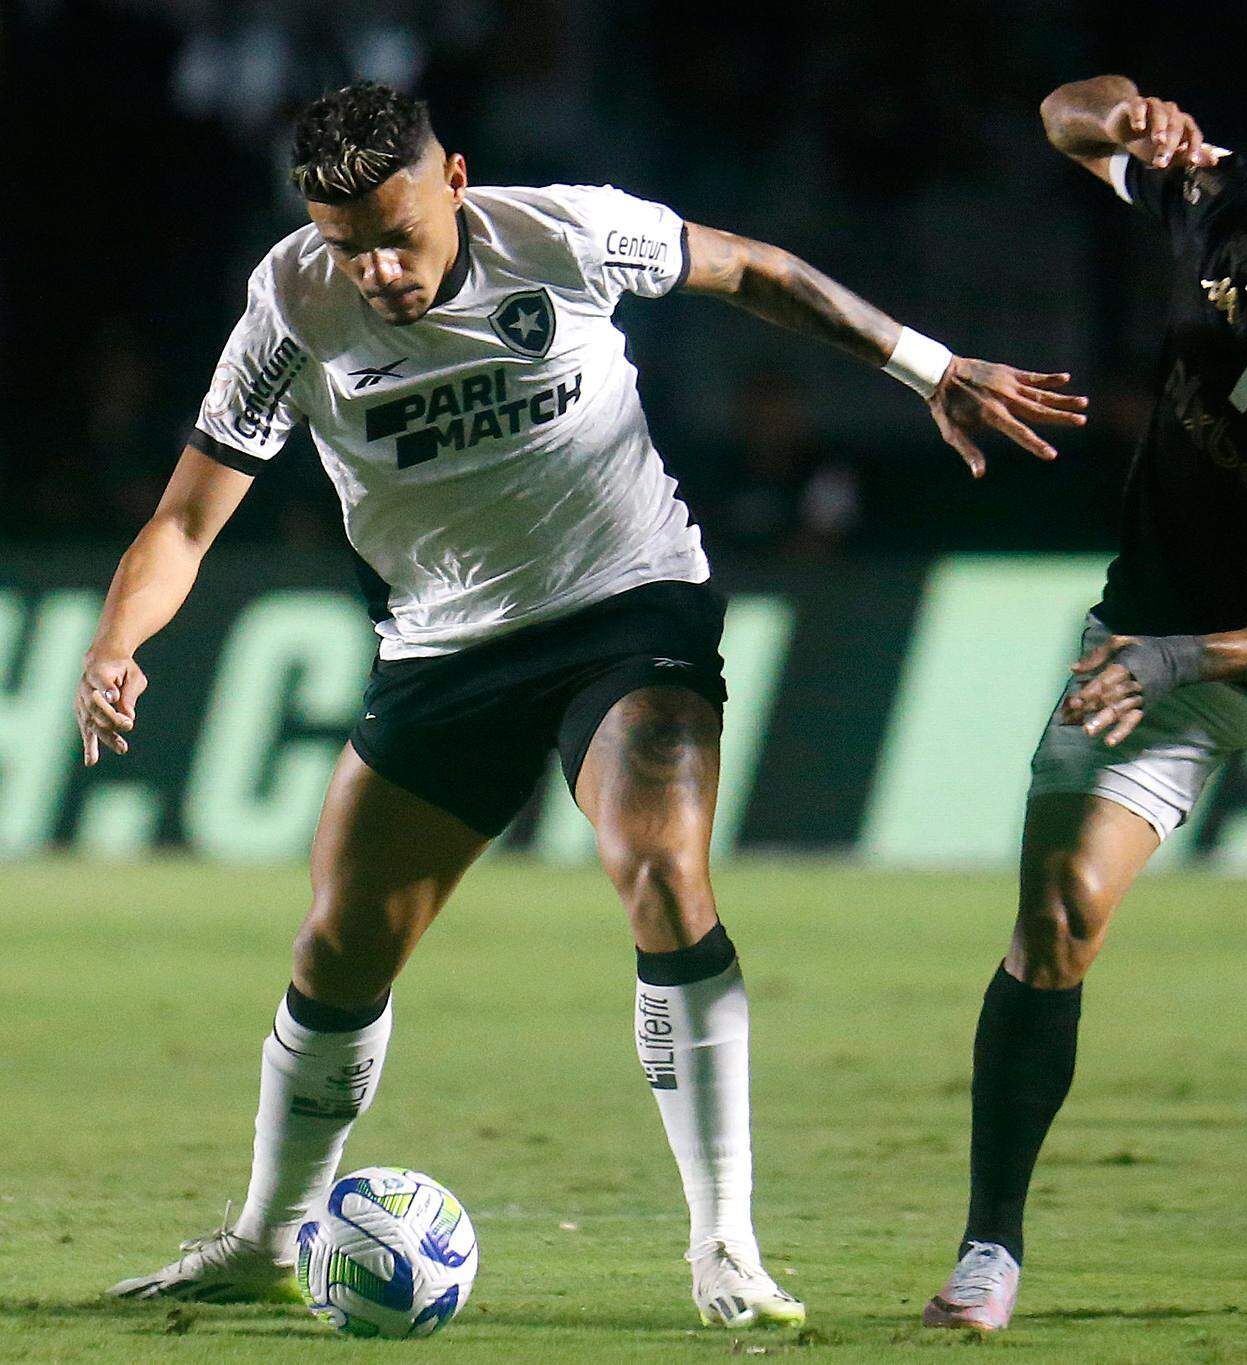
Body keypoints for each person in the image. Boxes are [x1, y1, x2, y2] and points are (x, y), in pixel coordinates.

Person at [75, 80, 1086, 1327]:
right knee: (338, 950)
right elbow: (187, 514)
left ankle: (725, 1247)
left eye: (399, 232)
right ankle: (267, 1235)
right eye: (350, 244)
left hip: (628, 605)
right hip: (445, 648)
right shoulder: (291, 302)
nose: (380, 270)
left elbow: (756, 269)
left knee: (658, 870)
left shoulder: (561, 233)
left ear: (456, 182)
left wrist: (924, 366)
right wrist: (118, 642)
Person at [923, 76, 1247, 1332]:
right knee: (1057, 914)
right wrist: (1123, 117)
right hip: (1147, 642)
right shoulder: (1246, 215)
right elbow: (1061, 112)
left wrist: (1192, 658)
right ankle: (988, 1258)